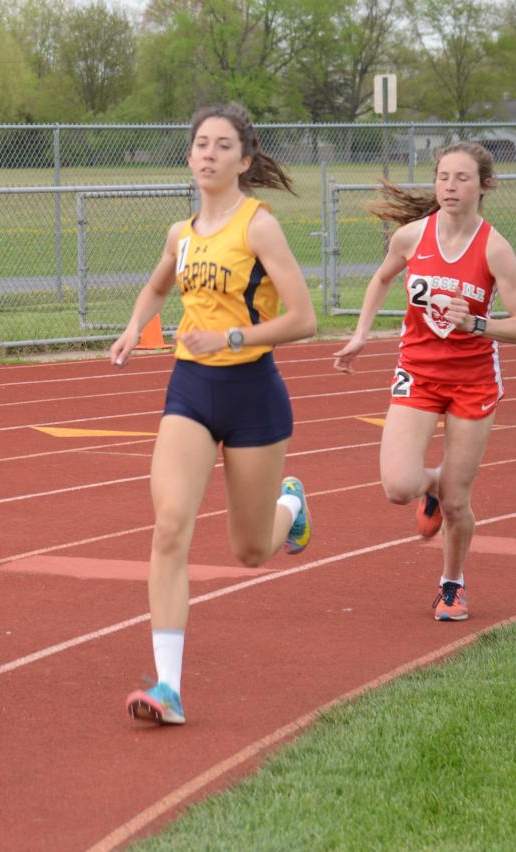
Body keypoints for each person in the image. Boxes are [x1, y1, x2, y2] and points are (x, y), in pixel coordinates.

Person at [110, 102, 317, 725]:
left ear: (244, 160)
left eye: (223, 146)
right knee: (170, 526)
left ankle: (292, 506)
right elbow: (157, 285)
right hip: (190, 391)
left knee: (250, 551)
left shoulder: (258, 226)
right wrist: (132, 327)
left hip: (253, 394)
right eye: (201, 143)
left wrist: (231, 340)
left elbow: (305, 320)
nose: (208, 154)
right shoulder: (182, 233)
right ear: (189, 154)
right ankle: (167, 689)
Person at [333, 142, 516, 622]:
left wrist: (477, 323)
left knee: (457, 500)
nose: (449, 186)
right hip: (419, 372)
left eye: (462, 178)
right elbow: (382, 278)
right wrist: (362, 333)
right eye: (443, 176)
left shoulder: (494, 249)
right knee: (398, 487)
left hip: (472, 380)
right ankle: (432, 486)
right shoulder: (411, 237)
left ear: (483, 186)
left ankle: (452, 584)